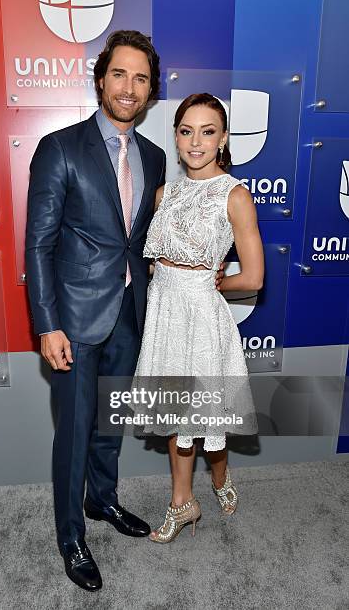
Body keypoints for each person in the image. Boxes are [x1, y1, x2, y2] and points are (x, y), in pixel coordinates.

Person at [25, 31, 167, 591]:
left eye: (140, 78)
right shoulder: (59, 147)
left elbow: (142, 240)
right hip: (75, 322)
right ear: (100, 79)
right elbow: (39, 243)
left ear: (150, 90)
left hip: (130, 315)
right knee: (76, 431)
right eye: (119, 74)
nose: (128, 87)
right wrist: (46, 324)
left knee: (110, 426)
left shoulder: (155, 158)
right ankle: (70, 537)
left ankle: (102, 501)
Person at [134, 93, 264, 543]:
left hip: (202, 318)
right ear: (175, 136)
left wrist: (214, 283)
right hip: (165, 313)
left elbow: (253, 276)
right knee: (176, 414)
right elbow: (153, 258)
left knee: (207, 418)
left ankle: (220, 478)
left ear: (224, 138)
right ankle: (182, 503)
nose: (195, 141)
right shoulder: (163, 193)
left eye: (208, 132)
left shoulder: (236, 195)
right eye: (187, 131)